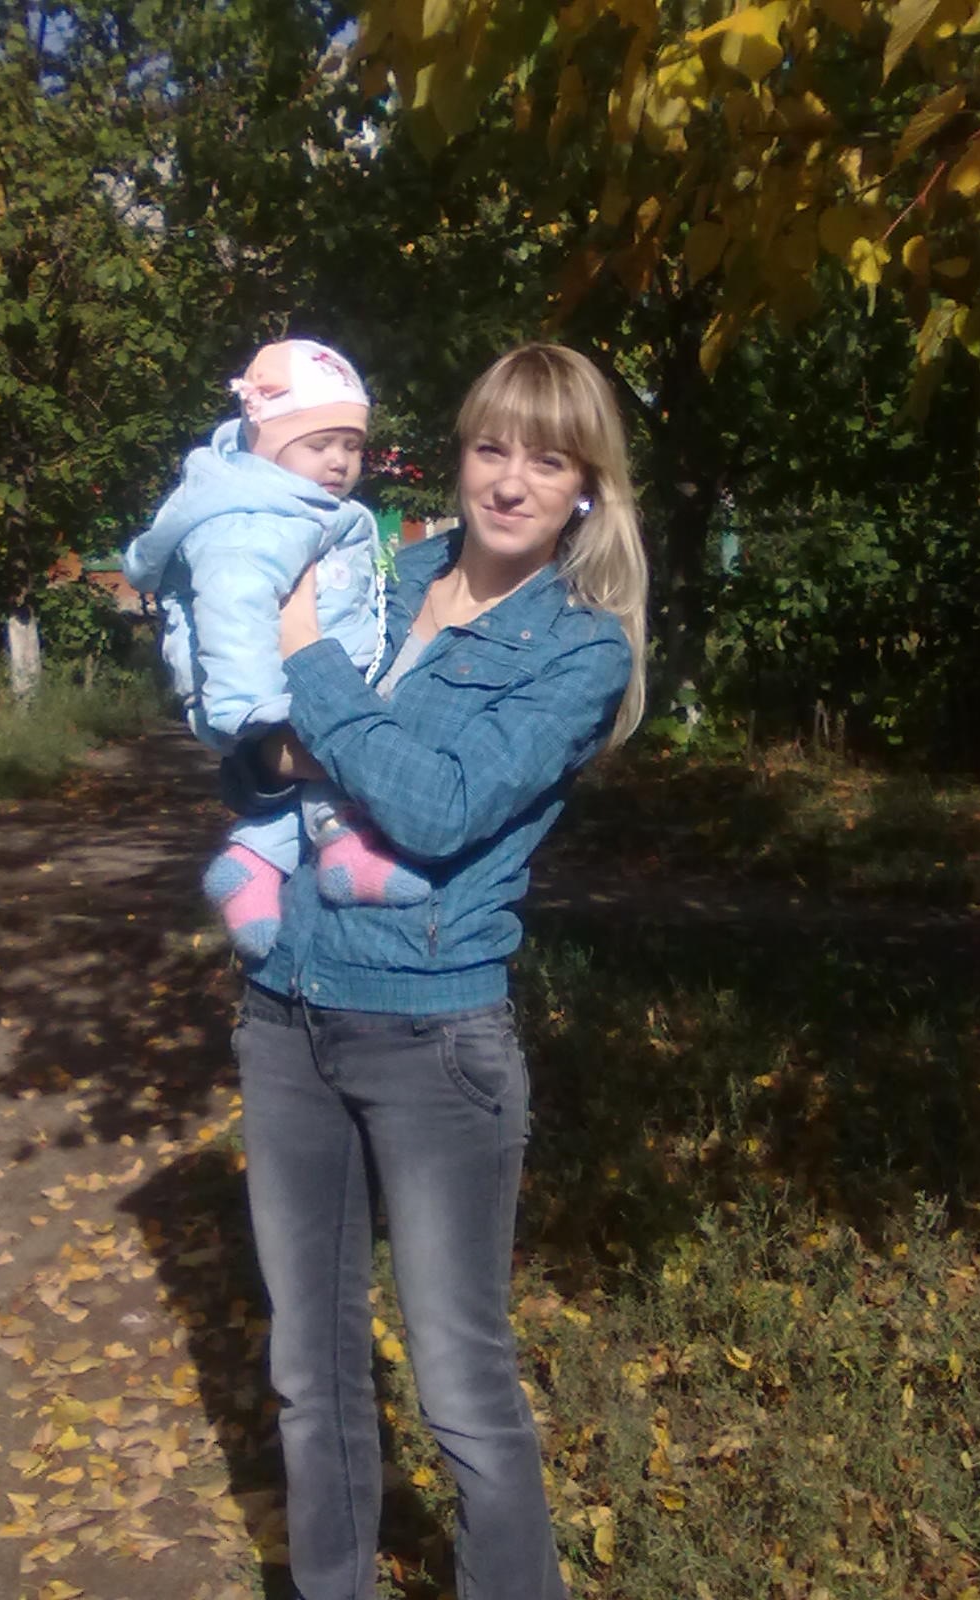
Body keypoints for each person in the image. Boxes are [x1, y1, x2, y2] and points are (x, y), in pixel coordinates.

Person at [227, 343, 648, 1600]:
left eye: (548, 460)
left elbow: (440, 805)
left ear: (586, 487)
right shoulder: (382, 569)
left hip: (433, 1042)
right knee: (308, 1373)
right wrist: (307, 747)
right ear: (459, 455)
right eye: (490, 447)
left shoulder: (581, 649)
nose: (510, 481)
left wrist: (308, 667)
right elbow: (245, 751)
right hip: (286, 1012)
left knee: (461, 1384)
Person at [121, 337, 428, 961]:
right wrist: (251, 707)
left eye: (352, 446)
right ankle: (344, 849)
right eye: (319, 445)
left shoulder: (294, 506)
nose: (340, 461)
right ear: (269, 443)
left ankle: (253, 862)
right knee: (343, 758)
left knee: (336, 755)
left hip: (300, 674)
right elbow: (232, 604)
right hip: (265, 687)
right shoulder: (253, 518)